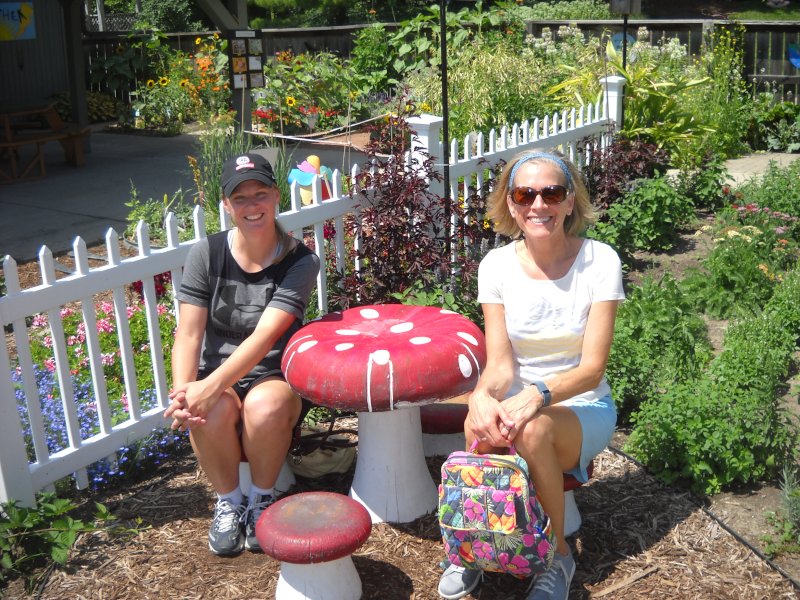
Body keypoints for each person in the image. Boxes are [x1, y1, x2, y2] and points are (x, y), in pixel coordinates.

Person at [437, 151, 624, 600]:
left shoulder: (600, 261)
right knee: (478, 422)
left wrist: (538, 394)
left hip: (582, 406)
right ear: (511, 203)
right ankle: (474, 546)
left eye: (552, 193)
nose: (539, 205)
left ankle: (557, 556)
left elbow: (591, 369)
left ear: (570, 200)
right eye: (525, 194)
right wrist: (483, 395)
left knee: (533, 430)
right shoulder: (496, 266)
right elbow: (501, 365)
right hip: (521, 403)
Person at [164, 153, 320, 556]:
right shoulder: (207, 253)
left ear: (276, 195)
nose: (252, 205)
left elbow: (265, 337)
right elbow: (189, 333)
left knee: (265, 406)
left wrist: (208, 387)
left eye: (260, 194)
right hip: (218, 372)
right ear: (226, 204)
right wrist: (184, 394)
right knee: (208, 409)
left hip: (273, 374)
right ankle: (230, 502)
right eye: (240, 198)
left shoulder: (300, 261)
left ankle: (262, 499)